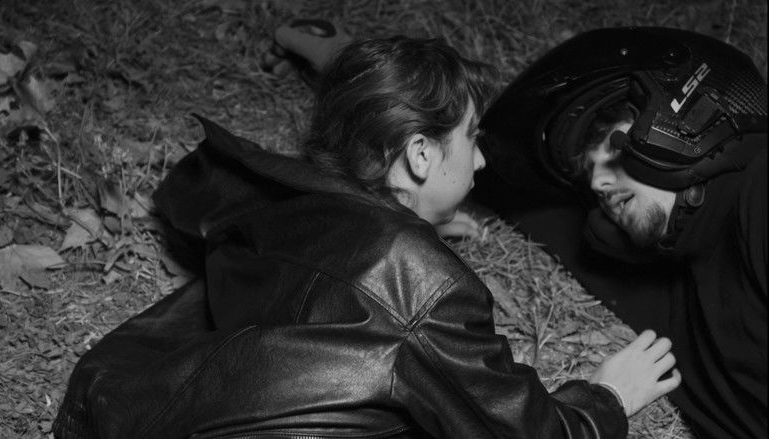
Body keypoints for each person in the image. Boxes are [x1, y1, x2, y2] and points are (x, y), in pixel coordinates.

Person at [53, 36, 680, 438]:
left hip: (113, 401)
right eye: (472, 137)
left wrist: (417, 224)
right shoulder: (422, 285)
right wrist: (606, 398)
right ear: (420, 154)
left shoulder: (274, 196)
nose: (482, 160)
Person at [473, 27, 767, 439]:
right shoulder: (679, 277)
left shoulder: (758, 187)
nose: (598, 184)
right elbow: (540, 208)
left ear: (691, 121)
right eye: (589, 176)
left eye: (615, 147)